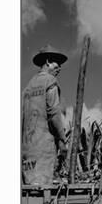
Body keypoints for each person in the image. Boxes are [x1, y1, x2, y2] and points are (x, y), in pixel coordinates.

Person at [22, 44, 68, 185]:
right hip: (43, 149)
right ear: (47, 61)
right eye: (57, 63)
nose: (59, 67)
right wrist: (62, 140)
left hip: (27, 151)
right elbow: (54, 113)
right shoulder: (50, 81)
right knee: (42, 194)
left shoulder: (28, 87)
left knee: (29, 191)